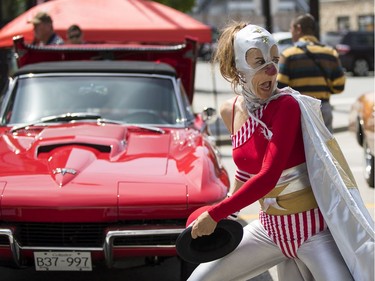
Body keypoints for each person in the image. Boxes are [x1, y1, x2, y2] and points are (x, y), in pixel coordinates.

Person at [186, 21, 374, 281]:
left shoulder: (287, 105)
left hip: (312, 231)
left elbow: (269, 175)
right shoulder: (231, 110)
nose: (272, 70)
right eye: (258, 61)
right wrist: (224, 216)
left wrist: (215, 214)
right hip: (269, 231)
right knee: (200, 278)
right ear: (236, 67)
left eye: (274, 59)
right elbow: (243, 174)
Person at [277, 13, 345, 133]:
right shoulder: (330, 53)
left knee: (301, 150)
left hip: (298, 110)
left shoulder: (288, 55)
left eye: (291, 28)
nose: (290, 31)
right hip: (323, 108)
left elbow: (280, 88)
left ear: (298, 28)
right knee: (326, 149)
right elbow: (339, 86)